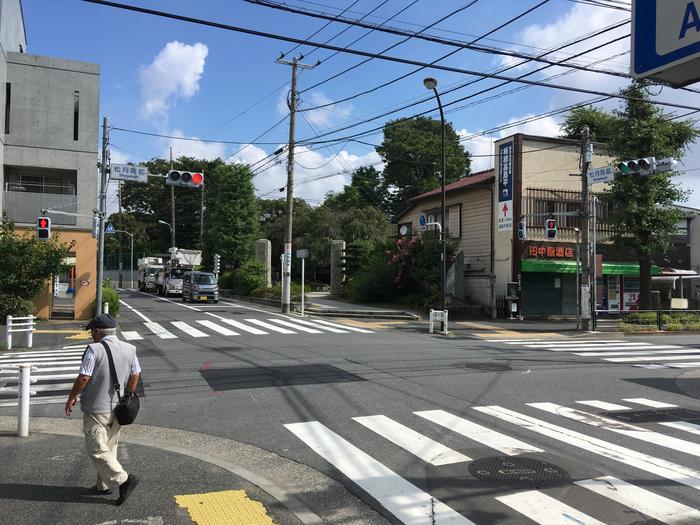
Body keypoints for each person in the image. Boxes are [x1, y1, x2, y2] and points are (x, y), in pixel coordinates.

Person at [64, 313, 141, 506]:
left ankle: (123, 480)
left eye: (92, 332)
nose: (91, 335)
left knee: (96, 449)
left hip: (96, 409)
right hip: (119, 407)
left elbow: (83, 378)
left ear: (98, 332)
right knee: (110, 446)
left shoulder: (94, 349)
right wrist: (128, 395)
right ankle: (103, 485)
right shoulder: (129, 348)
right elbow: (136, 373)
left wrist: (72, 397)